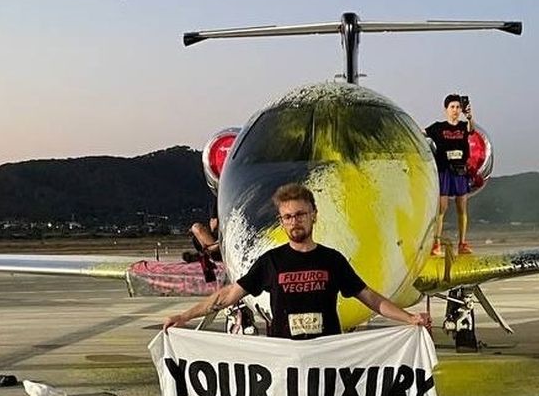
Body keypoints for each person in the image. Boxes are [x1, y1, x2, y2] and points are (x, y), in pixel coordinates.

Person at [164, 183, 430, 338]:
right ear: (281, 222)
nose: (295, 221)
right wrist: (183, 316)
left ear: (314, 215)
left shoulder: (332, 260)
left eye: (300, 214)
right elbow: (226, 297)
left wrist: (409, 318)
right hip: (286, 359)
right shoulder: (271, 262)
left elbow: (371, 298)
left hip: (326, 358)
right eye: (288, 217)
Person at [425, 94, 476, 256]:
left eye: (457, 107)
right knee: (442, 208)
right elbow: (421, 132)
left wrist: (469, 117)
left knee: (462, 207)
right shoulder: (438, 127)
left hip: (459, 170)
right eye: (452, 107)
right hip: (443, 171)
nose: (455, 110)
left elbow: (471, 129)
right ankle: (436, 243)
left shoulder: (463, 126)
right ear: (446, 109)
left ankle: (462, 243)